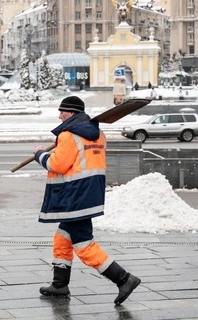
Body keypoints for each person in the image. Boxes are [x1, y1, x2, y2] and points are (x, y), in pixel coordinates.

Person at [32, 96, 140, 306]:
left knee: (84, 245)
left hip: (74, 197)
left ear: (71, 114)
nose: (59, 115)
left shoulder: (68, 135)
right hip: (91, 194)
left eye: (62, 112)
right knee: (63, 238)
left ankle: (124, 279)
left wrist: (39, 155)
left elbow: (57, 164)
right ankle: (59, 284)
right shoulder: (99, 134)